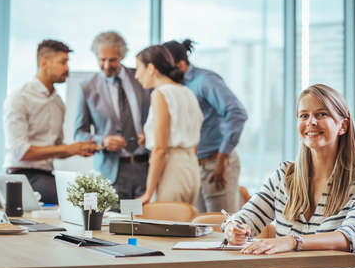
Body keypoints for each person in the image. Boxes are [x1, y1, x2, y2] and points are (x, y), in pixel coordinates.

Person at [223, 84, 355, 268]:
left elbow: (348, 239)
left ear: (342, 126)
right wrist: (233, 228)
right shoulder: (284, 176)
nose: (311, 122)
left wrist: (292, 242)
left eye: (321, 114)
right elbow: (245, 218)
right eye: (304, 115)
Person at [3, 39, 100, 204]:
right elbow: (22, 152)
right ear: (44, 63)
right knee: (75, 201)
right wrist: (70, 148)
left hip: (47, 176)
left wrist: (78, 149)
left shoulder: (58, 103)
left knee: (90, 197)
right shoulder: (19, 98)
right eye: (63, 62)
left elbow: (56, 147)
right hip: (22, 177)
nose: (67, 68)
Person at [163, 39, 248, 213]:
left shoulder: (205, 81)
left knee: (222, 226)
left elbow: (237, 113)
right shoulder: (176, 87)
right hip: (193, 165)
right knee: (198, 226)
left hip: (216, 164)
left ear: (180, 64)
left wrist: (222, 159)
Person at [74, 31, 151, 200]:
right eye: (102, 60)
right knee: (113, 224)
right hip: (111, 171)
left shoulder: (141, 78)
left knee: (145, 223)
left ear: (122, 56)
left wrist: (150, 134)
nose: (107, 65)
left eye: (113, 60)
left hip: (145, 167)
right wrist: (103, 141)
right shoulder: (87, 87)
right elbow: (79, 134)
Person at [135, 45, 203, 204]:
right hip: (191, 169)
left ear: (151, 68)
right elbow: (193, 141)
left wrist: (148, 193)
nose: (136, 75)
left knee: (165, 226)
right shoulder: (188, 93)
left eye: (138, 68)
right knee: (185, 224)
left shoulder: (160, 94)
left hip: (172, 170)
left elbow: (160, 150)